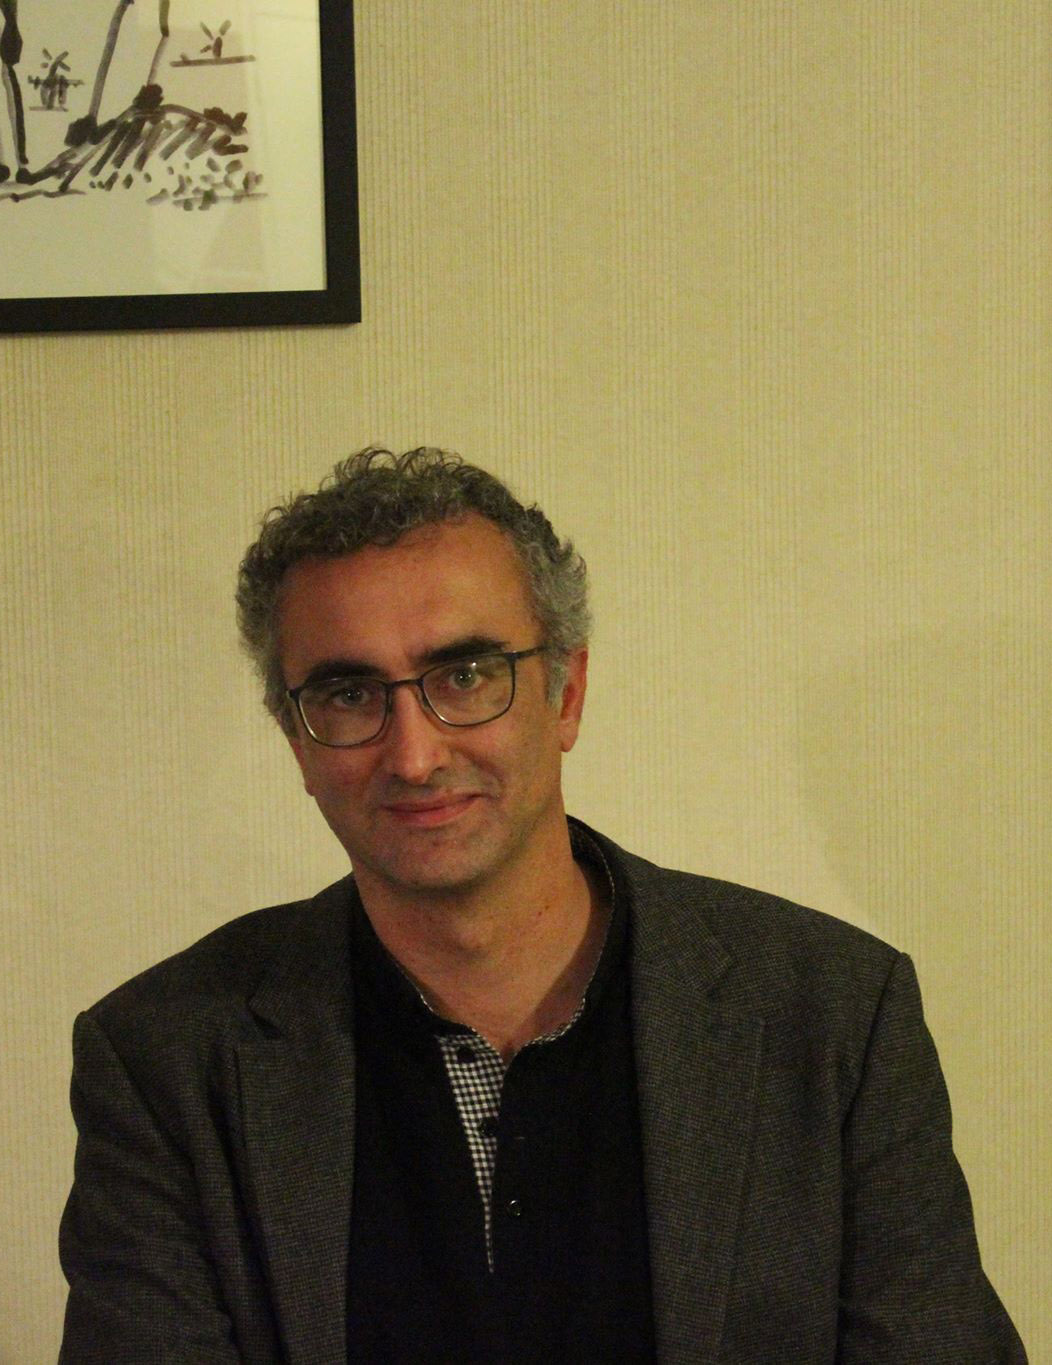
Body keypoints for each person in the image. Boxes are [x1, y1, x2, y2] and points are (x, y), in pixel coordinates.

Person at [59, 448, 1026, 1363]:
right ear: (297, 740)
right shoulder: (163, 1061)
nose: (414, 754)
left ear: (566, 694)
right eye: (350, 694)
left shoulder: (836, 1013)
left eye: (465, 675)